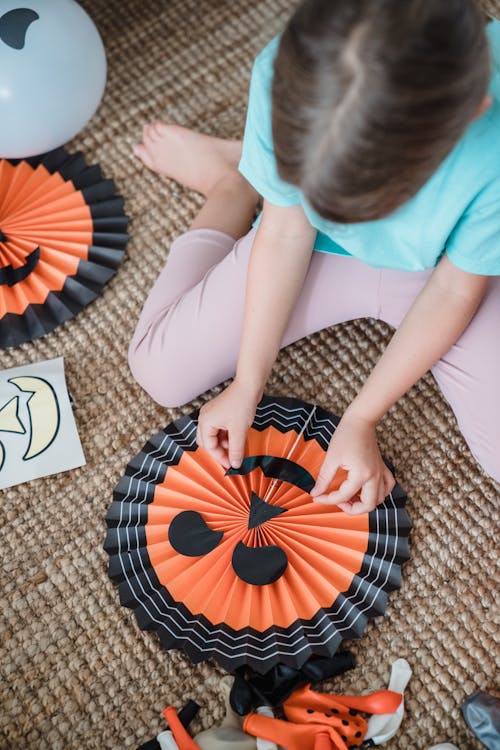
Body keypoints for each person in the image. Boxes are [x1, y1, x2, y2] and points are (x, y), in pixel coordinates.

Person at [129, 0, 500, 513]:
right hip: (313, 246)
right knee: (159, 368)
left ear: (473, 109)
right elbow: (284, 234)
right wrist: (247, 382)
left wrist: (361, 417)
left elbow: (458, 288)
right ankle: (233, 181)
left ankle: (246, 172)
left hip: (443, 272)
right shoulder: (286, 72)